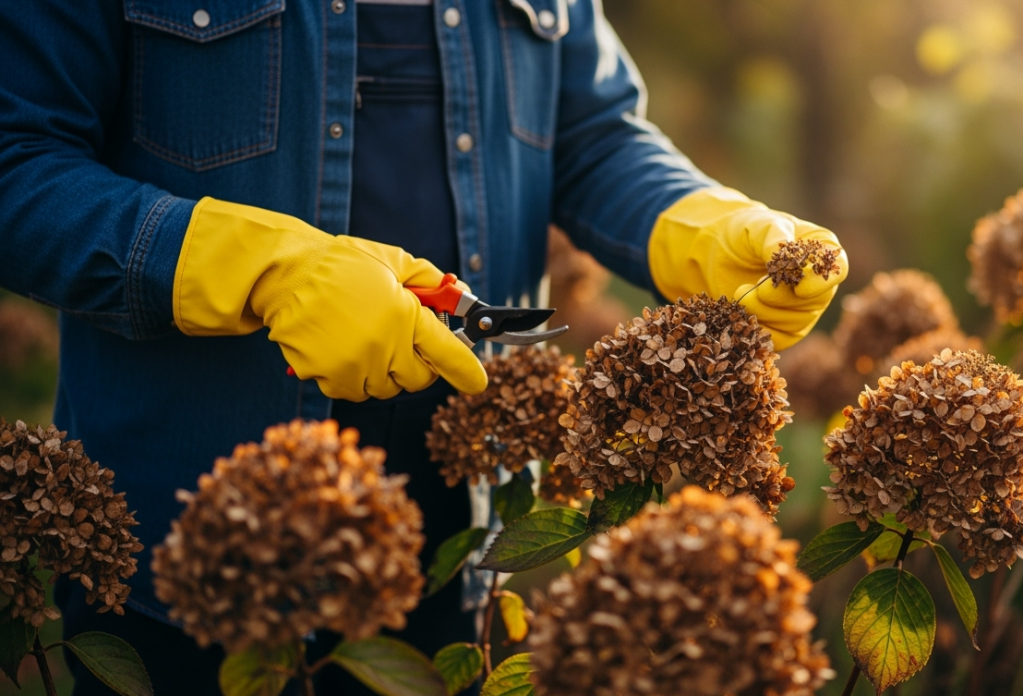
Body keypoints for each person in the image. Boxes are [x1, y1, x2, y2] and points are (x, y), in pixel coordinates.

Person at [0, 0, 848, 693]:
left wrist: (696, 222)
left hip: (461, 562)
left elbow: (593, 135)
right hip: (181, 575)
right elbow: (17, 161)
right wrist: (254, 268)